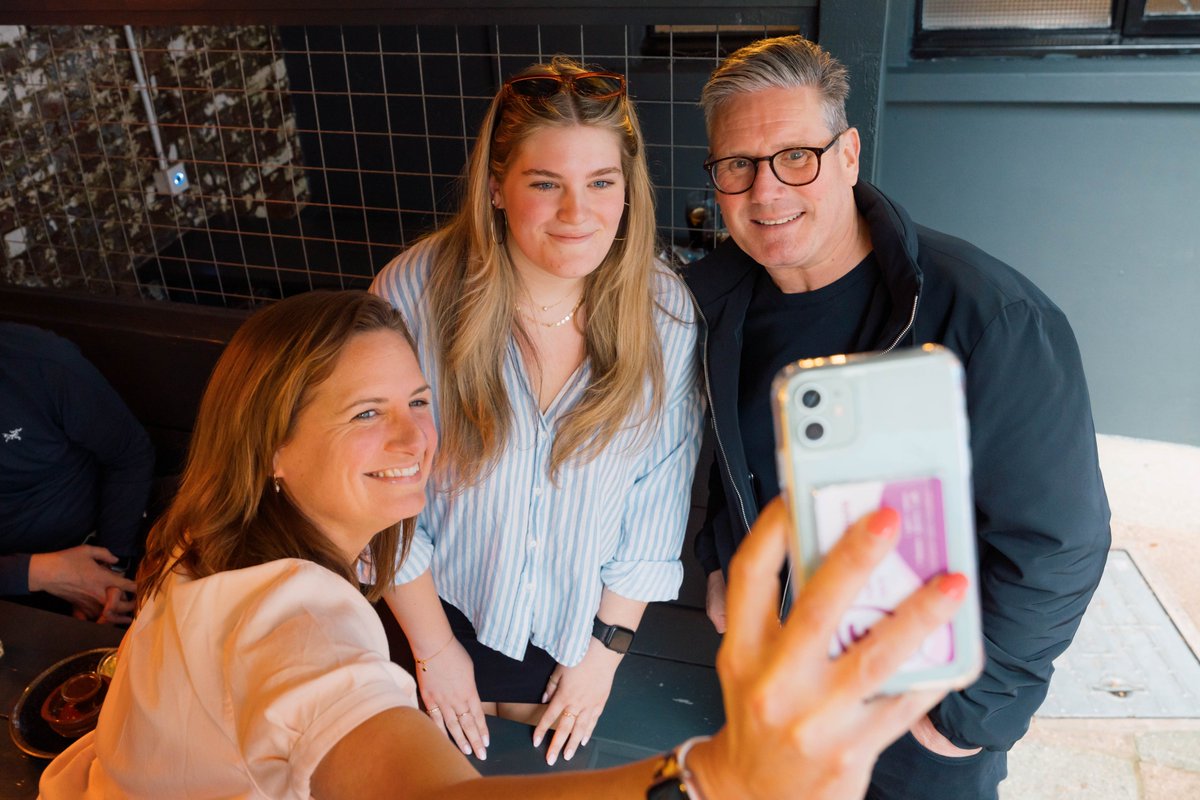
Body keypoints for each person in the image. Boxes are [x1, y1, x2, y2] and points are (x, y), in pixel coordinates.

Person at [38, 289, 968, 799]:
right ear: (270, 445)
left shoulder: (212, 538)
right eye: (367, 414)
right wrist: (711, 779)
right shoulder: (286, 609)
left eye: (418, 402)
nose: (415, 441)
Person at [684, 35, 1112, 800]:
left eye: (796, 157)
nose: (766, 191)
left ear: (848, 155)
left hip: (915, 713)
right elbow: (724, 454)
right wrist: (721, 557)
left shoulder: (987, 315)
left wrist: (967, 717)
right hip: (777, 692)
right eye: (737, 167)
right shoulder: (714, 307)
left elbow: (1058, 543)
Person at [371, 57, 701, 765]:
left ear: (627, 189)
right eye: (545, 183)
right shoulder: (412, 293)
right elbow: (381, 483)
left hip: (568, 635)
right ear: (496, 186)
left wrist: (602, 657)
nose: (578, 214)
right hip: (424, 605)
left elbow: (656, 505)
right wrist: (433, 650)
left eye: (601, 183)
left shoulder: (666, 312)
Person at [0, 321, 150, 625]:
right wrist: (38, 572)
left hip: (96, 548)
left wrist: (108, 573)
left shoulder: (41, 362)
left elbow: (129, 453)